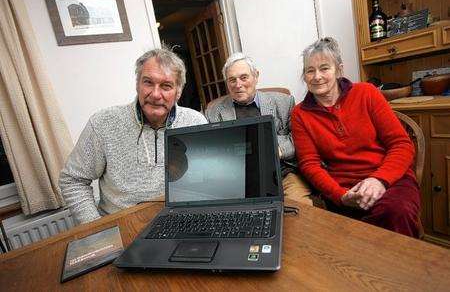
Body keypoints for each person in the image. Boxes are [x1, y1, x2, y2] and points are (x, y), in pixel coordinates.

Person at [59, 48, 207, 224]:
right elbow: (73, 179)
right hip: (121, 227)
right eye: (148, 83)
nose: (155, 94)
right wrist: (96, 228)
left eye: (166, 86)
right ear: (137, 84)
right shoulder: (103, 123)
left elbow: (206, 177)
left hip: (180, 221)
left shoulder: (196, 122)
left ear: (178, 92)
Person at [291, 37, 421, 237]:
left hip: (390, 179)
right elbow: (310, 164)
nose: (317, 76)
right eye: (310, 70)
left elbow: (402, 144)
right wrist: (340, 195)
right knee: (342, 236)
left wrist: (379, 180)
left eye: (324, 68)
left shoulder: (366, 93)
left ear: (339, 70)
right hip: (345, 189)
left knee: (396, 212)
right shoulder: (300, 114)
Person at [206, 52, 312, 205]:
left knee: (301, 210)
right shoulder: (214, 112)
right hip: (239, 179)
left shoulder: (283, 101)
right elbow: (213, 149)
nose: (238, 84)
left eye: (244, 77)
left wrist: (277, 150)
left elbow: (299, 138)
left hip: (282, 173)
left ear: (256, 76)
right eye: (232, 80)